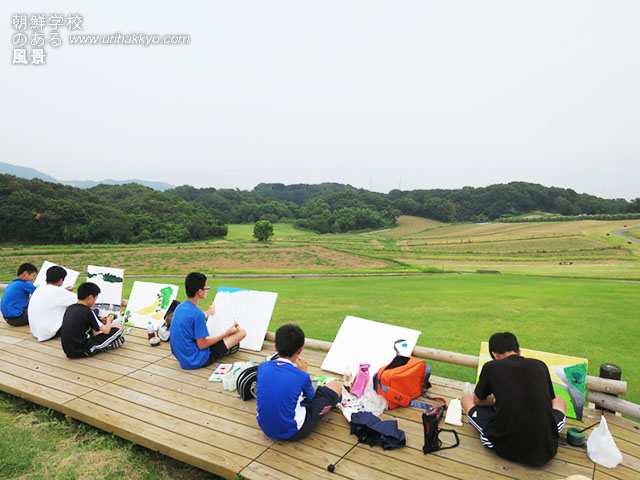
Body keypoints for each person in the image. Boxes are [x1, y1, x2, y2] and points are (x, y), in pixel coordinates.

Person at [461, 332, 567, 466]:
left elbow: (477, 401)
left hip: (506, 447)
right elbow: (551, 399)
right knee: (559, 399)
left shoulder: (490, 367)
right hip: (546, 447)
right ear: (519, 351)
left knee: (467, 399)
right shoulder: (540, 365)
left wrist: (495, 401)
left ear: (494, 354)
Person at [256, 324, 342, 440]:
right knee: (335, 386)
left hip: (265, 428)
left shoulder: (263, 367)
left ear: (276, 347)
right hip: (294, 431)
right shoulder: (301, 375)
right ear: (300, 349)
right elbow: (311, 396)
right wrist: (305, 373)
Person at [169, 272, 246, 370]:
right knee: (241, 333)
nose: (207, 290)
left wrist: (209, 312)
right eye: (206, 288)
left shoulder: (180, 307)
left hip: (182, 357)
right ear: (200, 292)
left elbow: (193, 317)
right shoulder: (198, 314)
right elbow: (202, 345)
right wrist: (226, 333)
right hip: (196, 360)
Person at [61, 282, 125, 358]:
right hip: (82, 350)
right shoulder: (88, 311)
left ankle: (107, 344)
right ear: (90, 297)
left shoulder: (70, 308)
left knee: (95, 331)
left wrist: (99, 320)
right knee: (119, 328)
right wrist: (108, 321)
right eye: (95, 299)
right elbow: (106, 330)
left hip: (68, 350)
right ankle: (104, 346)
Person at [28, 265, 77, 341]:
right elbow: (82, 300)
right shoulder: (58, 291)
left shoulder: (39, 288)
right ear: (61, 280)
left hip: (35, 331)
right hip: (49, 332)